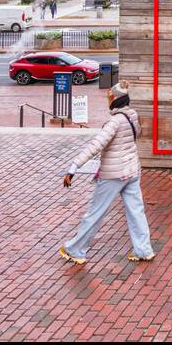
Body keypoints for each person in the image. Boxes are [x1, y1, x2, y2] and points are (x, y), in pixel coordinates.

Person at [59, 82, 155, 265]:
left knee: (96, 212)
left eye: (109, 98)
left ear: (115, 100)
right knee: (137, 212)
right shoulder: (132, 115)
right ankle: (143, 250)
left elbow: (95, 146)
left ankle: (76, 249)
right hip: (132, 170)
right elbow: (137, 135)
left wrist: (74, 167)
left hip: (113, 173)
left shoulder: (114, 122)